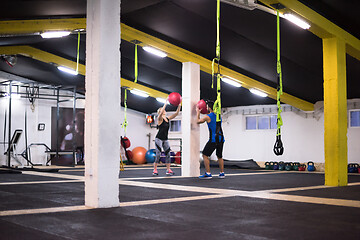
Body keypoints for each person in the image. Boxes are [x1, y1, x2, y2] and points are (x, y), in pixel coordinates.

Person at [196, 100, 225, 179]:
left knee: (205, 155)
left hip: (213, 139)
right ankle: (222, 173)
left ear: (209, 108)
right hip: (221, 139)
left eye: (207, 107)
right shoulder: (218, 115)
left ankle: (208, 173)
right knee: (219, 156)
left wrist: (198, 112)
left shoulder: (207, 117)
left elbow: (198, 121)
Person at [153, 98, 181, 176]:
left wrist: (179, 106)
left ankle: (168, 170)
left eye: (164, 109)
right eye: (162, 110)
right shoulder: (159, 119)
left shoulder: (167, 119)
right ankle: (155, 169)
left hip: (165, 139)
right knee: (158, 154)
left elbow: (176, 114)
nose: (164, 110)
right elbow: (161, 113)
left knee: (168, 154)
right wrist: (165, 103)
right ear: (160, 112)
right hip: (158, 139)